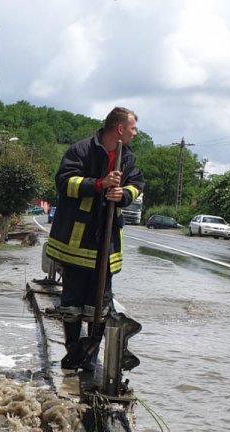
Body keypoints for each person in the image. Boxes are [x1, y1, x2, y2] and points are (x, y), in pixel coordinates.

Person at [45, 107, 145, 371]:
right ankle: (73, 350)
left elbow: (137, 185)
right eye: (133, 128)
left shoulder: (128, 158)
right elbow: (64, 183)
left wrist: (122, 194)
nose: (136, 132)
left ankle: (90, 356)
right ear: (120, 129)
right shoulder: (81, 150)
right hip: (77, 243)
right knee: (72, 304)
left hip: (106, 245)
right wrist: (99, 185)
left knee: (99, 305)